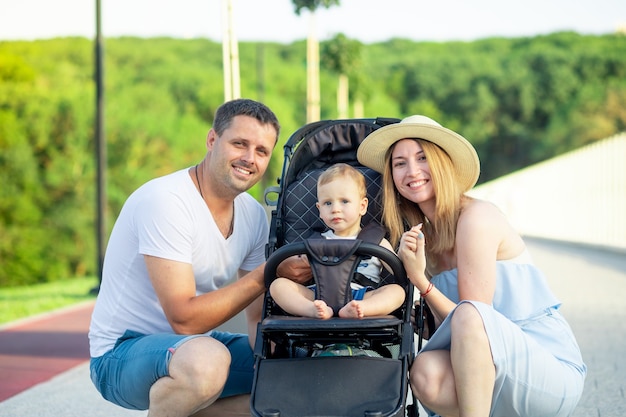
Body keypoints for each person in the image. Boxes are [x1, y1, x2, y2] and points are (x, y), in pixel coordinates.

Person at [88, 98, 311, 417]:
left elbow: (255, 320)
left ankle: (186, 409)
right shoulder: (166, 201)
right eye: (239, 144)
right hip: (121, 354)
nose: (249, 158)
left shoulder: (252, 214)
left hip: (194, 348)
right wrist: (268, 273)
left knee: (304, 372)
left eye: (261, 151)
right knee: (208, 362)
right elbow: (184, 319)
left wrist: (284, 363)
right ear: (211, 140)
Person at [357, 115, 586, 417]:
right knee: (425, 370)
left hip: (545, 369)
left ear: (441, 163)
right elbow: (453, 335)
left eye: (422, 158)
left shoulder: (477, 218)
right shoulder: (423, 237)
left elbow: (475, 320)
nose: (412, 171)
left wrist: (421, 282)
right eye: (400, 163)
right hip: (486, 374)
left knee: (469, 314)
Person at [269, 163, 406, 319]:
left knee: (397, 292)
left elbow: (399, 270)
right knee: (278, 286)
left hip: (361, 295)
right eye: (328, 203)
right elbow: (294, 266)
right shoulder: (316, 241)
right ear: (319, 209)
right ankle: (310, 310)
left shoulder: (376, 242)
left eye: (344, 201)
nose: (335, 209)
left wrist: (406, 253)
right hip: (318, 296)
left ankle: (362, 309)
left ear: (362, 206)